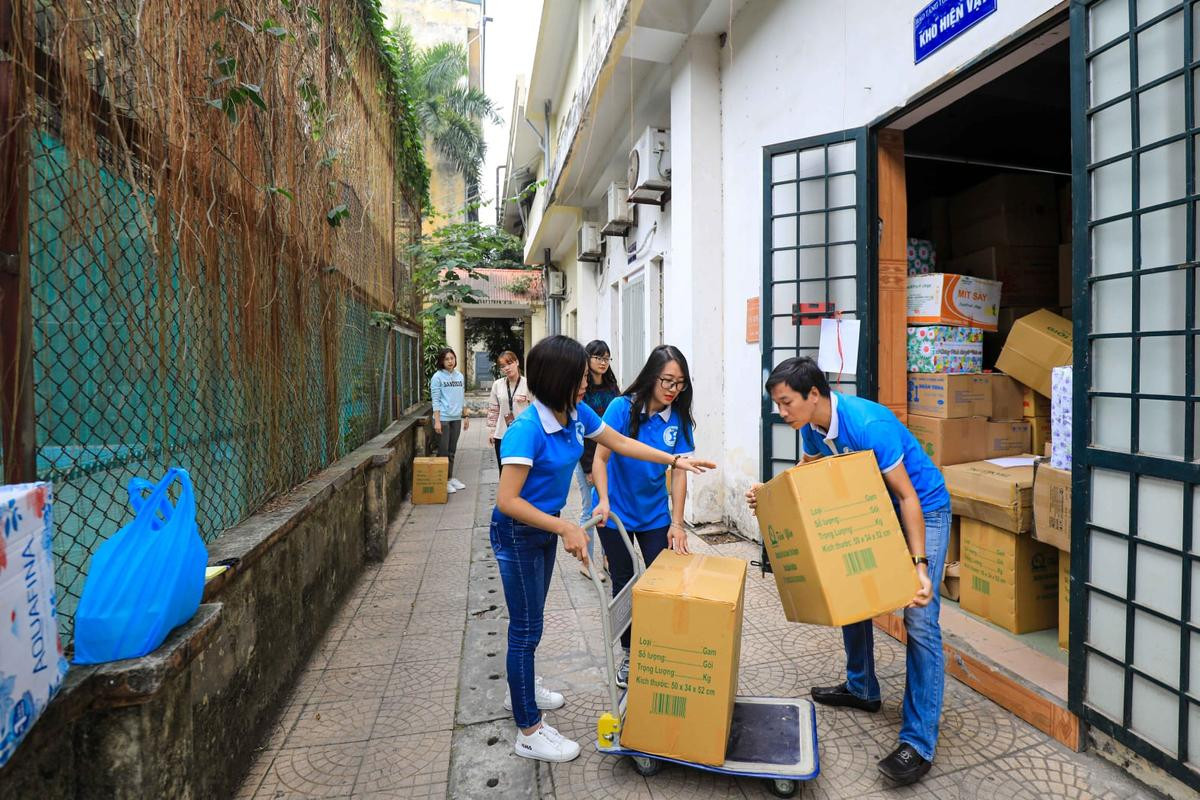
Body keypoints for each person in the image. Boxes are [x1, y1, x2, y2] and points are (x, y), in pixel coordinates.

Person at [493, 335, 715, 763]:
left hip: (541, 531)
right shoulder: (526, 430)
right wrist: (566, 527)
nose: (586, 380)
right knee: (524, 629)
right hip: (517, 534)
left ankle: (519, 685)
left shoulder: (576, 414)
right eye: (579, 374)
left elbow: (621, 443)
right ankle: (529, 729)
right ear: (557, 377)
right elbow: (507, 500)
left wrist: (673, 461)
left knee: (530, 622)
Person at [745, 356, 949, 786]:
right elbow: (806, 471)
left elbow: (908, 498)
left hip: (922, 509)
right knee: (850, 587)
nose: (781, 413)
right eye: (778, 404)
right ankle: (862, 688)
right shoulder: (815, 428)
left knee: (920, 618)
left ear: (813, 395)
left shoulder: (868, 424)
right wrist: (768, 493)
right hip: (873, 507)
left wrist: (920, 567)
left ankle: (919, 742)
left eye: (785, 403)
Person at [591, 345, 697, 688]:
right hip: (616, 511)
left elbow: (679, 471)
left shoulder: (677, 417)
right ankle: (630, 654)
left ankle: (660, 649)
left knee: (662, 581)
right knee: (624, 581)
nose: (672, 389)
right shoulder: (622, 408)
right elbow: (600, 459)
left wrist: (677, 523)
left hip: (654, 513)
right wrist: (603, 500)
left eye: (680, 383)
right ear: (652, 376)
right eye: (667, 380)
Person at [574, 340, 620, 580]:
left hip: (609, 458)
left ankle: (607, 557)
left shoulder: (612, 387)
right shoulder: (582, 390)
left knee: (607, 505)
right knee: (589, 509)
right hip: (587, 458)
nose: (603, 363)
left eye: (607, 358)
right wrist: (588, 466)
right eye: (598, 357)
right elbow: (581, 431)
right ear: (588, 359)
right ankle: (586, 561)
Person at [430, 347, 468, 494]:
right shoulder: (437, 377)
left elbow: (461, 397)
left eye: (452, 358)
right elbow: (436, 400)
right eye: (446, 359)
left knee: (452, 451)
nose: (450, 361)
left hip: (456, 418)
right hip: (443, 419)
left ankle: (450, 478)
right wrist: (437, 421)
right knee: (443, 451)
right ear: (441, 361)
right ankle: (442, 481)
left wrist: (465, 416)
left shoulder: (459, 376)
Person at [486, 350, 531, 472]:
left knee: (523, 470)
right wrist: (491, 431)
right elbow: (493, 410)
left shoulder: (528, 384)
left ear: (516, 362)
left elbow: (536, 409)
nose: (507, 368)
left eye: (509, 363)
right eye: (503, 366)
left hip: (523, 434)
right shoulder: (497, 385)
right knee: (504, 470)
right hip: (502, 434)